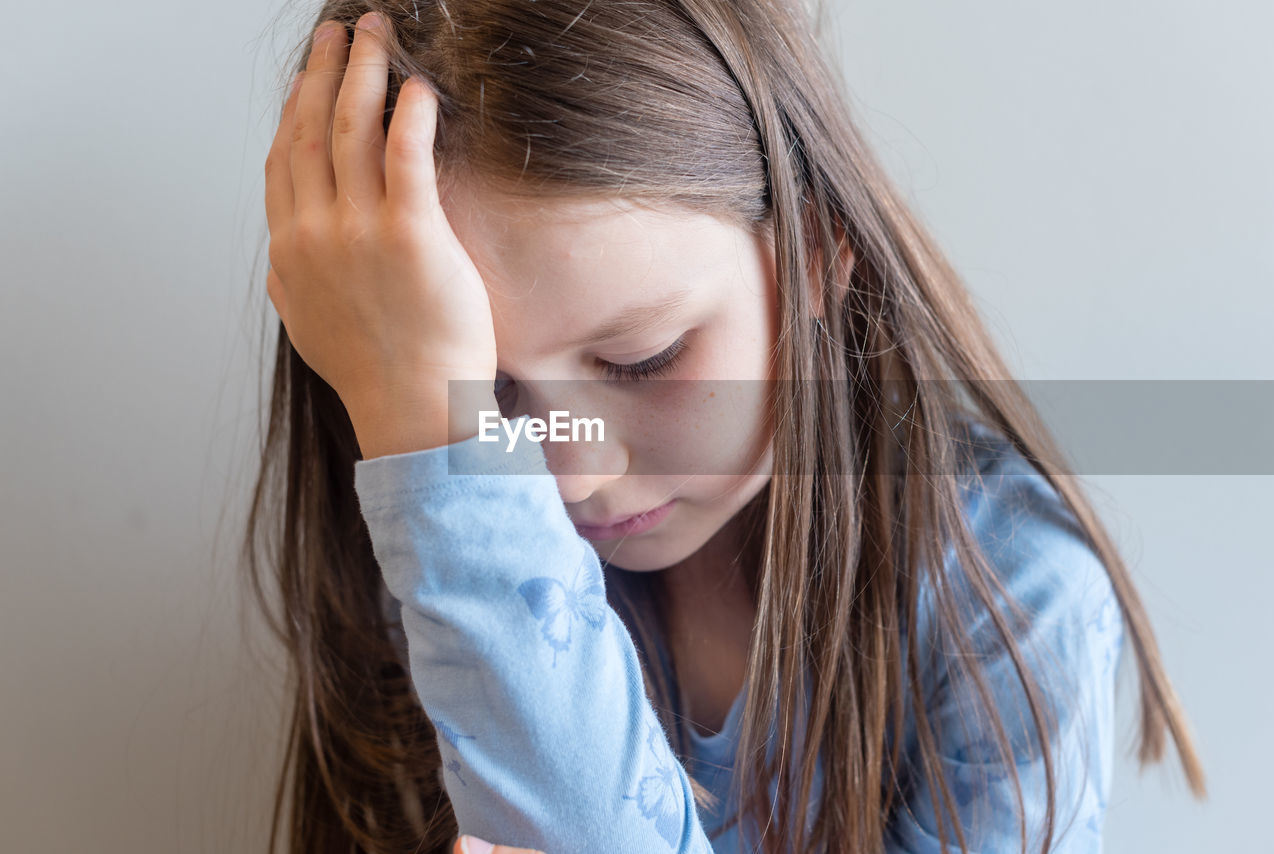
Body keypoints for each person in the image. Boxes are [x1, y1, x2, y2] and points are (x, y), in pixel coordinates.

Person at [247, 1, 1207, 852]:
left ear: (822, 254)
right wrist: (432, 445)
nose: (571, 476)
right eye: (484, 400)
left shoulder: (1009, 592)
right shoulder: (434, 546)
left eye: (643, 359)